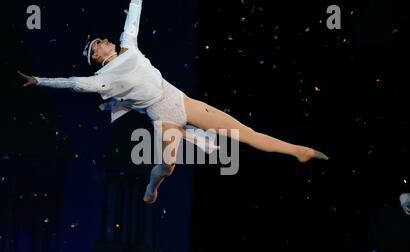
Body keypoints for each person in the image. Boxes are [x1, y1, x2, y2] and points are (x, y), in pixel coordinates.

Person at [18, 0, 329, 204]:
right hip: (162, 118)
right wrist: (40, 81)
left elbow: (134, 13)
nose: (105, 41)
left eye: (103, 39)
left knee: (243, 131)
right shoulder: (104, 78)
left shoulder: (128, 45)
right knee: (168, 166)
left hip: (181, 101)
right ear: (96, 58)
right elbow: (73, 84)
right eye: (99, 44)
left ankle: (298, 151)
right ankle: (152, 187)